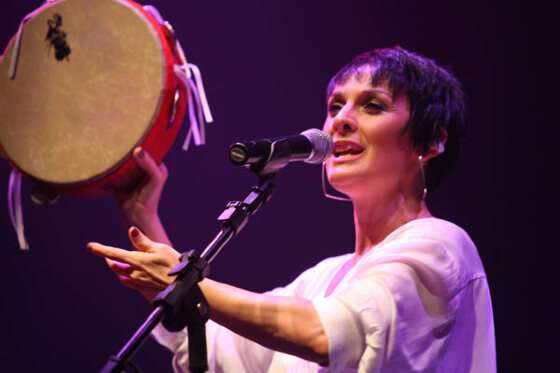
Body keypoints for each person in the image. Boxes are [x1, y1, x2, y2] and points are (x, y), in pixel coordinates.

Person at [88, 46, 496, 372]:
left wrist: (182, 282)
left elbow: (329, 334)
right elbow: (206, 342)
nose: (340, 122)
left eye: (372, 105)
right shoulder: (321, 280)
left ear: (431, 142)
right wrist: (142, 213)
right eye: (335, 106)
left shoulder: (440, 246)